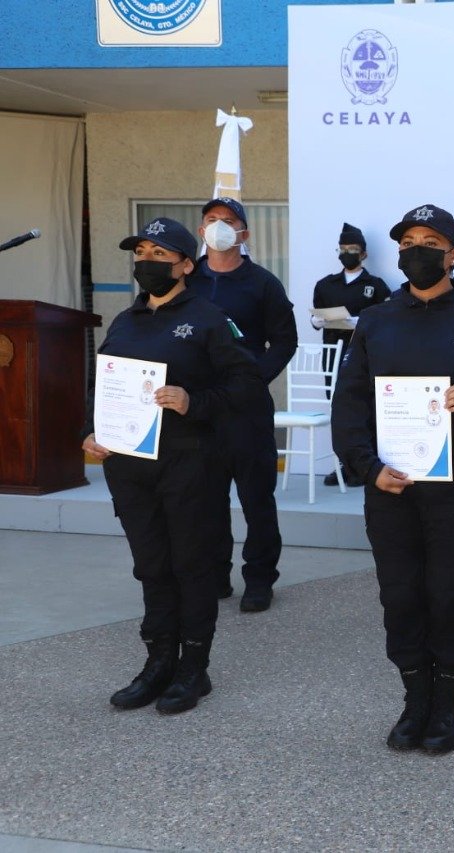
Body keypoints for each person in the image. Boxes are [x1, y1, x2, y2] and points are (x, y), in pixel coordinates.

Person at [331, 204, 454, 754]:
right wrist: (368, 468)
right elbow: (349, 404)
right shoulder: (375, 320)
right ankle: (414, 699)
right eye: (407, 242)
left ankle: (448, 703)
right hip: (390, 485)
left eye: (428, 242)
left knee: (448, 594)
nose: (415, 250)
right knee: (399, 595)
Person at [83, 217, 260, 714]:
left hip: (189, 462)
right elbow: (104, 387)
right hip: (130, 466)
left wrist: (192, 401)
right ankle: (158, 661)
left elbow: (246, 385)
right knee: (152, 566)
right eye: (141, 252)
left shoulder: (209, 319)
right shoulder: (125, 320)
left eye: (160, 254)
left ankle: (193, 668)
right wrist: (92, 430)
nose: (147, 262)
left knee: (190, 566)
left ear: (186, 265)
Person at [187, 197, 297, 613]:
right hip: (198, 408)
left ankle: (260, 579)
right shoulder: (186, 279)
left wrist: (253, 379)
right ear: (201, 231)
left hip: (247, 409)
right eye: (212, 220)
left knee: (256, 499)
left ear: (243, 233)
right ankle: (216, 575)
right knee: (205, 499)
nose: (219, 226)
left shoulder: (263, 283)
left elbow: (284, 340)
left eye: (229, 220)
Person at [311, 222, 390, 486]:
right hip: (333, 353)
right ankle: (344, 465)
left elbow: (385, 320)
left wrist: (360, 321)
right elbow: (317, 314)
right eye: (343, 249)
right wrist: (317, 321)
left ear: (364, 253)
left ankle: (367, 465)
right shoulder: (326, 285)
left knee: (366, 408)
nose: (347, 254)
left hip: (363, 354)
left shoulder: (376, 286)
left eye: (353, 249)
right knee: (340, 410)